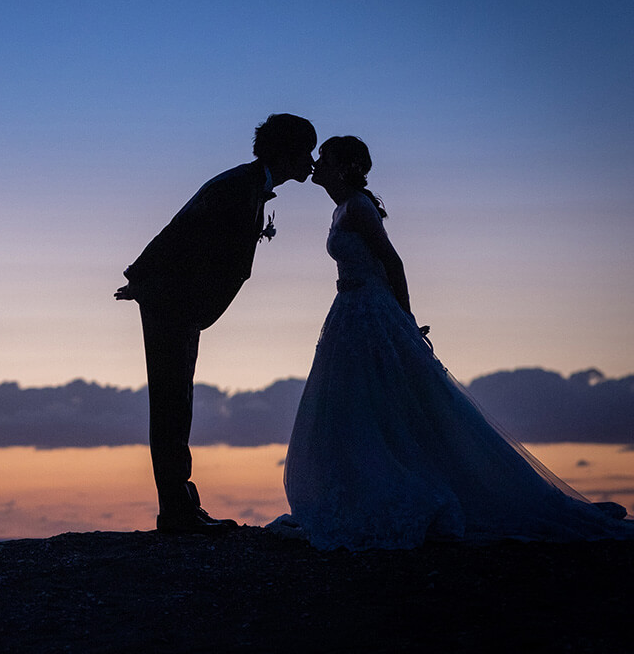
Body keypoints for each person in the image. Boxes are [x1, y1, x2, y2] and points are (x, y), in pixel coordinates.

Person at [271, 135, 633, 550]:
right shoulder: (341, 209)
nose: (316, 163)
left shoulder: (358, 208)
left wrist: (404, 320)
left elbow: (393, 262)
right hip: (348, 309)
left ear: (343, 167)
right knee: (352, 405)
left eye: (326, 158)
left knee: (377, 402)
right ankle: (352, 492)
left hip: (370, 310)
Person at [117, 113, 317, 534]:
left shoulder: (249, 186)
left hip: (180, 305)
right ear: (286, 152)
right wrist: (142, 280)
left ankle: (182, 502)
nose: (311, 161)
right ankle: (176, 510)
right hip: (169, 303)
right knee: (171, 402)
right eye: (306, 151)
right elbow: (181, 230)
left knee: (179, 401)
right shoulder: (236, 187)